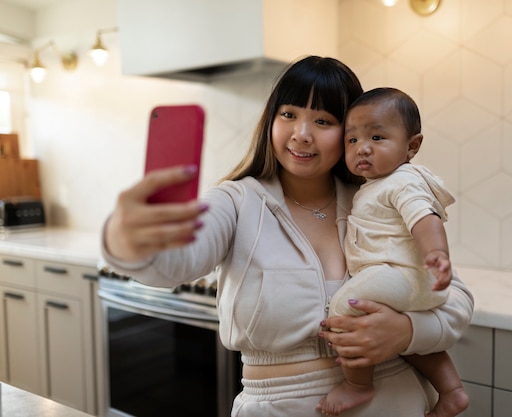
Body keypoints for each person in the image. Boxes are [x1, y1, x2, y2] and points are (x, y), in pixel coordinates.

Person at [100, 56, 474, 417]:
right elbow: (172, 266)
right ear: (271, 120)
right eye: (289, 114)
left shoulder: (375, 200)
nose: (302, 134)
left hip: (397, 400)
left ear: (348, 133)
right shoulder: (237, 201)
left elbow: (451, 296)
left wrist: (407, 331)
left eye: (324, 121)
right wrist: (125, 239)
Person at [317, 87, 469, 417]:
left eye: (376, 137)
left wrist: (437, 254)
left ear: (412, 146)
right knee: (399, 340)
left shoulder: (402, 181)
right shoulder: (377, 185)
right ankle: (452, 390)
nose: (363, 149)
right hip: (406, 281)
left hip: (404, 276)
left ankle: (357, 384)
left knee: (343, 307)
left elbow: (424, 219)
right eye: (352, 140)